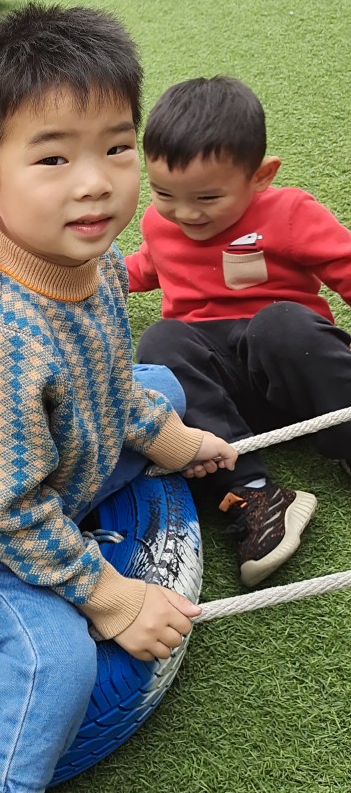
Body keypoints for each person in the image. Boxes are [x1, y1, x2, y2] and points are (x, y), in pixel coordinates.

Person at [0, 5, 238, 793]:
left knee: (163, 392)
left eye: (117, 148)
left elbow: (114, 385)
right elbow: (7, 516)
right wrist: (114, 598)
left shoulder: (94, 265)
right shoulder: (1, 343)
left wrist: (174, 441)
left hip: (59, 464)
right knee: (53, 659)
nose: (95, 184)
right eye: (52, 159)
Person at [126, 75, 351, 587]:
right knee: (162, 340)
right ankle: (254, 494)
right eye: (164, 193)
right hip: (220, 395)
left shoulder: (288, 212)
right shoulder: (162, 224)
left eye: (207, 197)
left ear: (260, 176)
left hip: (296, 374)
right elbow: (147, 266)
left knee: (279, 323)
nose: (185, 214)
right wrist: (100, 277)